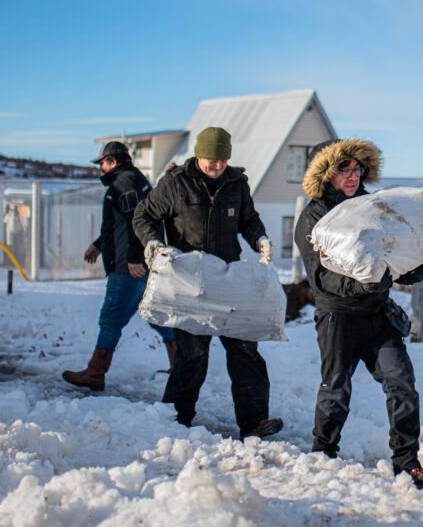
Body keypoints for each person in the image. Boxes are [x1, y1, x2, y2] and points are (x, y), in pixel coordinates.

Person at [295, 138, 423, 490]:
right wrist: (361, 286)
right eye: (344, 169)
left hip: (377, 314)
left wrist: (421, 265)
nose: (352, 176)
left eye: (357, 169)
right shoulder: (315, 216)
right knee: (336, 388)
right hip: (338, 316)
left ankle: (407, 463)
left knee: (402, 383)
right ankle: (322, 454)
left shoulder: (372, 207)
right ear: (327, 173)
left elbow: (392, 257)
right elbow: (320, 276)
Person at [132, 126, 282, 439]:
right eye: (211, 159)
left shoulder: (236, 183)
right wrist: (152, 243)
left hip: (228, 281)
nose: (217, 165)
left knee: (245, 351)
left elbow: (248, 220)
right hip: (189, 282)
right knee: (192, 355)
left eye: (222, 160)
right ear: (198, 154)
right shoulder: (175, 183)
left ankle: (255, 422)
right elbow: (144, 215)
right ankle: (176, 418)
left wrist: (260, 238)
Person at [63, 141, 176, 391]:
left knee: (111, 318)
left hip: (129, 266)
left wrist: (134, 257)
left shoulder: (124, 183)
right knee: (154, 313)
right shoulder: (133, 180)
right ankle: (179, 364)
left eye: (102, 163)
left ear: (113, 161)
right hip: (138, 261)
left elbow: (140, 220)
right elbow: (122, 222)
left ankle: (95, 373)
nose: (100, 168)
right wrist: (99, 244)